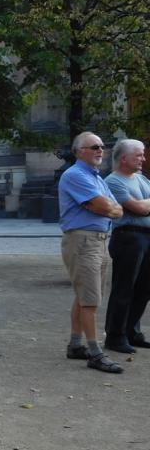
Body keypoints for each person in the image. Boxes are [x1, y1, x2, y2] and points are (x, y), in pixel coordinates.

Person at [59, 131, 124, 373]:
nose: (100, 150)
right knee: (90, 299)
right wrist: (106, 207)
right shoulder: (75, 175)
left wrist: (107, 208)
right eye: (94, 147)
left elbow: (116, 209)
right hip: (84, 241)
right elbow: (104, 205)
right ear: (78, 152)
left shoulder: (97, 178)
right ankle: (95, 353)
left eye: (102, 146)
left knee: (84, 295)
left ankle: (76, 345)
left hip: (99, 240)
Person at [103, 139, 150, 354]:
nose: (143, 159)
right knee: (124, 288)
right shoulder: (113, 181)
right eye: (139, 155)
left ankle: (131, 332)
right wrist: (144, 205)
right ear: (124, 158)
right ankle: (115, 336)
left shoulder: (141, 178)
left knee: (144, 288)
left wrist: (143, 205)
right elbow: (138, 208)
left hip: (146, 237)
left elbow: (142, 207)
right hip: (128, 238)